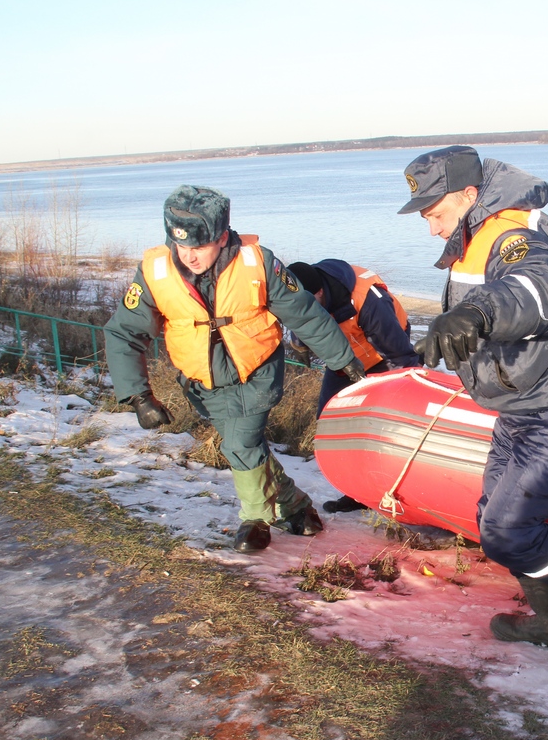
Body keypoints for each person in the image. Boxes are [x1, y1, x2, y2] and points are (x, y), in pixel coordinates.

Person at [398, 145, 548, 656]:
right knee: (493, 523)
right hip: (525, 403)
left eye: (436, 214)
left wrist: (475, 314)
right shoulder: (477, 232)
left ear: (469, 195)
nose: (432, 229)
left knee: (508, 531)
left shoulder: (512, 233)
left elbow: (537, 290)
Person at [104, 185, 365, 554]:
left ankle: (255, 520)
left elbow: (303, 313)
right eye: (181, 247)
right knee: (245, 448)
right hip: (200, 381)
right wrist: (137, 395)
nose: (190, 257)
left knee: (241, 443)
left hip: (256, 371)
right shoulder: (153, 272)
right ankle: (294, 506)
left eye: (199, 247)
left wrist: (343, 361)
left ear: (222, 236)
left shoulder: (257, 262)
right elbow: (124, 333)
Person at [284, 258, 422, 512]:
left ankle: (395, 491)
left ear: (321, 292)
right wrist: (299, 342)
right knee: (329, 419)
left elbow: (402, 357)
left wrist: (409, 391)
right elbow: (300, 316)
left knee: (380, 424)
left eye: (307, 302)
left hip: (385, 356)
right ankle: (357, 493)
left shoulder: (367, 300)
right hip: (345, 359)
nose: (302, 308)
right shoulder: (301, 297)